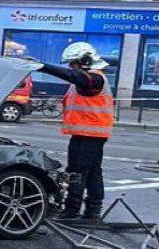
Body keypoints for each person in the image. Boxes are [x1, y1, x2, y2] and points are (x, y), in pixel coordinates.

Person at [39, 42, 114, 220]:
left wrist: (43, 67)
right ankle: (93, 210)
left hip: (90, 133)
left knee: (76, 172)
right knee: (93, 171)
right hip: (89, 133)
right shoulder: (86, 79)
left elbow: (76, 77)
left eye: (73, 63)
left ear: (85, 61)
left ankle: (72, 210)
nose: (70, 67)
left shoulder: (95, 79)